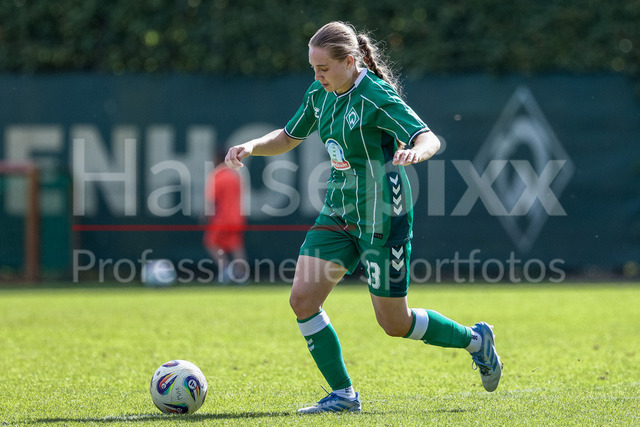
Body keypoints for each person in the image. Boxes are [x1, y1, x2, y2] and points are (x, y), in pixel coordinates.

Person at [225, 21, 502, 413]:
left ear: (349, 61)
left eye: (323, 68)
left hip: (383, 218)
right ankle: (343, 395)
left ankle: (475, 340)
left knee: (395, 323)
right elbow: (288, 136)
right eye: (313, 68)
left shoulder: (375, 95)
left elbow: (428, 137)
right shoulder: (320, 93)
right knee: (302, 300)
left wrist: (416, 152)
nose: (317, 77)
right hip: (338, 212)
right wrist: (251, 146)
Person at [204, 148, 247, 284]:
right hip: (237, 217)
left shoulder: (217, 175)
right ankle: (241, 275)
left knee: (210, 243)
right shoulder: (235, 175)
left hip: (222, 218)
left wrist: (206, 216)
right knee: (236, 246)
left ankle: (226, 270)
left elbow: (211, 200)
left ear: (217, 159)